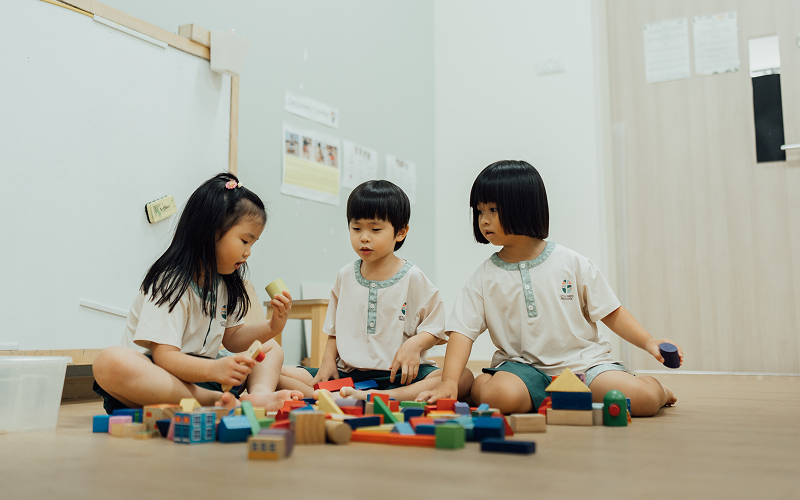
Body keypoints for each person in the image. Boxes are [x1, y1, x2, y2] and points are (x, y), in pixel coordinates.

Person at [418, 160, 682, 416]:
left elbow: (611, 312)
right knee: (498, 397)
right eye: (479, 211)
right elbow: (462, 333)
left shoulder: (572, 263)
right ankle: (515, 390)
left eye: (493, 210)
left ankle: (658, 390)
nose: (484, 220)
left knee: (643, 401)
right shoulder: (484, 277)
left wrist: (648, 341)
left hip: (584, 365)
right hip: (522, 370)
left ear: (524, 208)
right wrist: (449, 382)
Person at [92, 172, 303, 413]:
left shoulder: (223, 284)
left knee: (270, 347)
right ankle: (210, 401)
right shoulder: (170, 282)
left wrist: (272, 327)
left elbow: (232, 338)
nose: (248, 253)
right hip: (159, 377)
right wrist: (215, 369)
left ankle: (258, 396)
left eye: (252, 244)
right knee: (109, 362)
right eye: (245, 241)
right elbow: (165, 357)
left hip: (205, 377)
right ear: (210, 231)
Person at [280, 180, 473, 401]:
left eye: (375, 229)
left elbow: (435, 327)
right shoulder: (345, 276)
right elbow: (334, 330)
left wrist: (414, 344)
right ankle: (339, 395)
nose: (364, 236)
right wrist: (326, 363)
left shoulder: (413, 277)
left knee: (463, 378)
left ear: (400, 232)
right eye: (356, 228)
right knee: (272, 370)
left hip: (402, 376)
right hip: (349, 374)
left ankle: (375, 397)